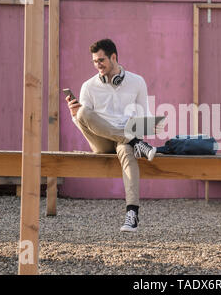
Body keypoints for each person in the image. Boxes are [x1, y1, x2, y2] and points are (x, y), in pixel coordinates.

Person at [66, 38, 157, 233]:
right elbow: (85, 123)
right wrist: (75, 115)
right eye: (94, 61)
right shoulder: (88, 86)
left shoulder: (137, 81)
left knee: (126, 149)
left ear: (113, 57)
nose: (97, 65)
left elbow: (144, 114)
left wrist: (149, 126)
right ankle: (134, 142)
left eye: (101, 60)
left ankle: (132, 214)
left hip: (126, 136)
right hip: (100, 141)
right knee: (82, 112)